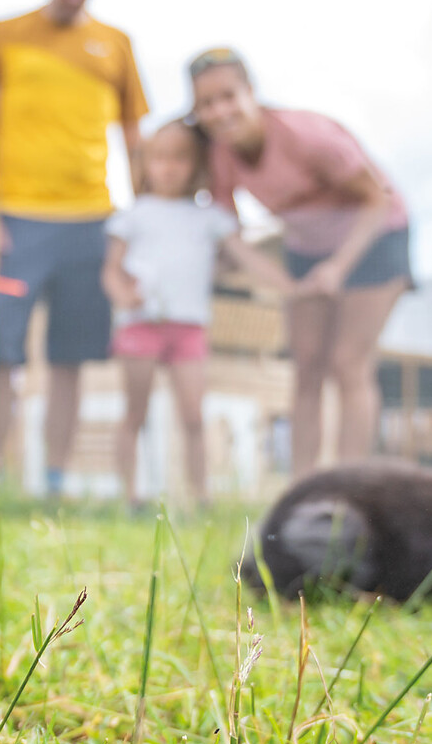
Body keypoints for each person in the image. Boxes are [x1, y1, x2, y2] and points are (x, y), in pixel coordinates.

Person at [0, 0, 149, 496]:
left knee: (71, 357)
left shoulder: (116, 47)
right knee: (2, 354)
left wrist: (140, 224)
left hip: (92, 223)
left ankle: (55, 480)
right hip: (17, 221)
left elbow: (135, 141)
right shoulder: (5, 35)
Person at [188, 47, 412, 476]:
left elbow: (375, 199)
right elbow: (231, 236)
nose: (219, 111)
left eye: (227, 96)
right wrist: (283, 284)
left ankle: (349, 486)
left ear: (251, 92)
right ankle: (303, 487)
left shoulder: (308, 136)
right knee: (306, 365)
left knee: (348, 360)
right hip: (307, 247)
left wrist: (338, 268)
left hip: (375, 234)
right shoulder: (221, 156)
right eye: (205, 103)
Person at [103, 120, 294, 509]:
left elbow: (245, 255)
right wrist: (123, 294)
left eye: (179, 158)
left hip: (189, 327)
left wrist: (292, 288)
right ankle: (129, 497)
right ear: (146, 164)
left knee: (193, 415)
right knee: (134, 413)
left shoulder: (209, 217)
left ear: (196, 165)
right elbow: (111, 269)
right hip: (141, 325)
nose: (169, 168)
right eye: (159, 158)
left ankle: (200, 496)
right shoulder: (133, 215)